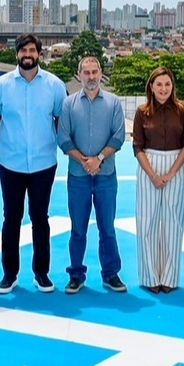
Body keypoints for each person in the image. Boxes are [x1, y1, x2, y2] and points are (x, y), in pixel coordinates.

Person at [0, 33, 67, 294]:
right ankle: (9, 274)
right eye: (23, 50)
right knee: (11, 218)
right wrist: (13, 142)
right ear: (17, 54)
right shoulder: (0, 87)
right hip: (10, 163)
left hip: (44, 163)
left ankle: (41, 273)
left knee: (40, 218)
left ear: (39, 54)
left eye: (32, 50)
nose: (28, 55)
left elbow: (59, 120)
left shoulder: (55, 86)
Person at [56, 54, 127, 294]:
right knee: (78, 229)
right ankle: (76, 275)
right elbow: (63, 138)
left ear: (101, 73)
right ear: (79, 76)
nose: (91, 77)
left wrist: (99, 159)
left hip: (106, 175)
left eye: (95, 72)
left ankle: (111, 274)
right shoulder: (68, 104)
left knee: (107, 228)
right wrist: (85, 161)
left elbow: (118, 136)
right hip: (78, 176)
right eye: (86, 73)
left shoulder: (114, 102)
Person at [132, 66, 184, 293]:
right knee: (146, 221)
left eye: (167, 84)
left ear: (172, 86)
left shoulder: (183, 109)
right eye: (159, 84)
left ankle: (170, 277)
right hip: (148, 165)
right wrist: (153, 175)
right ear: (151, 86)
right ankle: (149, 277)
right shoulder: (141, 112)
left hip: (176, 165)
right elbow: (137, 147)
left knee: (173, 223)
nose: (164, 88)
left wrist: (170, 173)